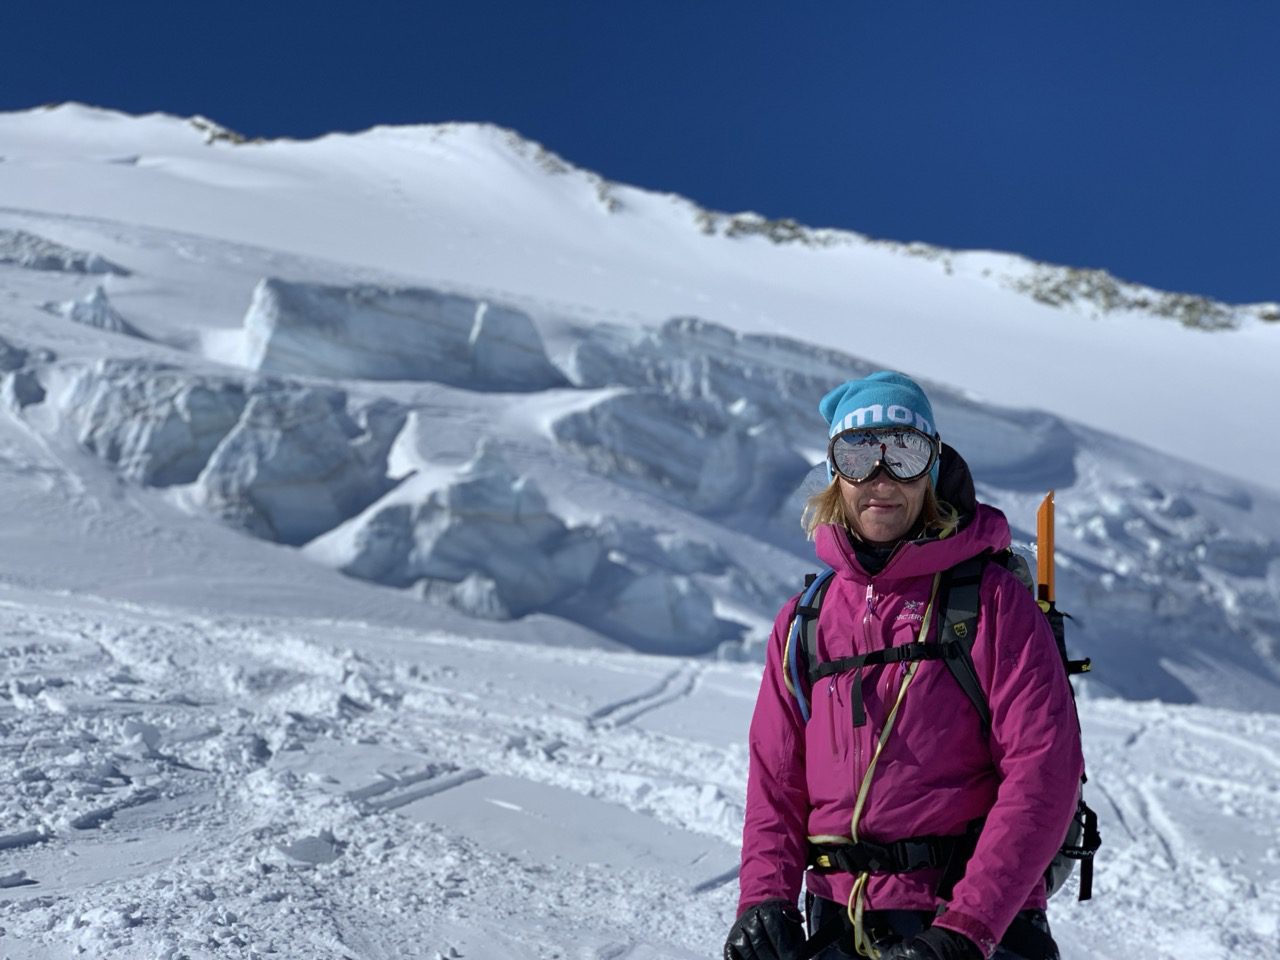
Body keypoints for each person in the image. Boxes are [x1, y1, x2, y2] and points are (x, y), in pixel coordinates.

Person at [724, 372, 1084, 960]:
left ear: (933, 467)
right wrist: (764, 899)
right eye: (859, 454)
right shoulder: (804, 620)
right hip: (839, 923)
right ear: (835, 473)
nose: (881, 477)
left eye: (905, 453)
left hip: (970, 926)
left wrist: (966, 929)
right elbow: (776, 783)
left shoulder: (990, 601)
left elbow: (1044, 771)